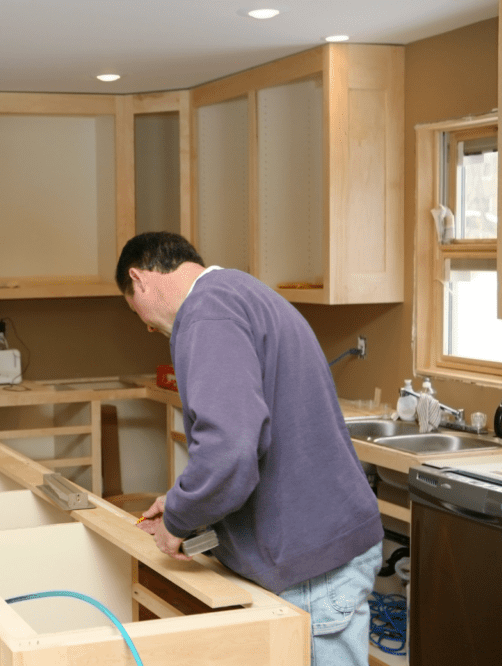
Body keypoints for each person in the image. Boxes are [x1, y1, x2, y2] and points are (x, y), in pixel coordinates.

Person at [116, 232, 383, 666]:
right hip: (318, 546)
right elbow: (248, 441)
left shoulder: (206, 313)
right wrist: (184, 501)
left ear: (139, 280)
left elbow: (231, 447)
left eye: (137, 312)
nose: (147, 326)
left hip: (312, 563)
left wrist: (181, 521)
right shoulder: (240, 292)